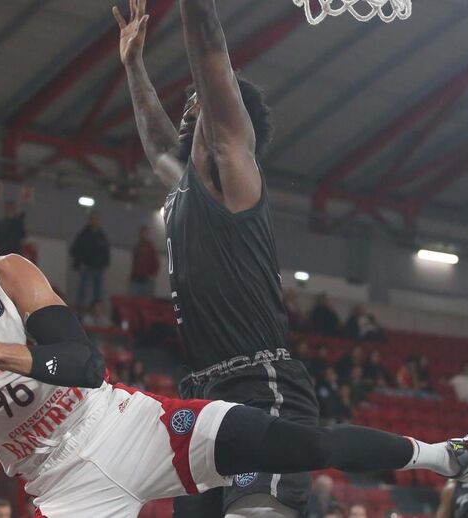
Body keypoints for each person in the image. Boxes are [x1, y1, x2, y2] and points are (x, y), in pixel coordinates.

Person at [0, 209, 468, 518]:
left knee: (304, 440)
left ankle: (449, 454)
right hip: (59, 485)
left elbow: (82, 361)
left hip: (121, 421)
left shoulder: (4, 272)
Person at [116, 0, 320, 512]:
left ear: (229, 119)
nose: (186, 112)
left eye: (196, 104)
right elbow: (157, 144)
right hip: (204, 398)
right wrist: (134, 67)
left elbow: (208, 44)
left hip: (260, 387)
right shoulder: (187, 189)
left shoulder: (234, 171)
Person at [69, 210, 110, 308]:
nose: (94, 221)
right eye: (93, 219)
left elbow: (106, 252)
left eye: (96, 219)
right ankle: (79, 313)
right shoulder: (83, 235)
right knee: (82, 293)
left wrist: (105, 264)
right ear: (89, 220)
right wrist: (79, 264)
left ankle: (95, 313)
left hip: (98, 269)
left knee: (98, 294)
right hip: (86, 268)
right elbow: (74, 249)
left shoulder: (102, 236)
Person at [129, 224, 160, 297]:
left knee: (146, 302)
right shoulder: (136, 247)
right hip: (136, 279)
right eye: (141, 233)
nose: (143, 235)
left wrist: (152, 274)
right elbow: (134, 264)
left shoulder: (151, 247)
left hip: (147, 279)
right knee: (135, 301)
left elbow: (156, 262)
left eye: (145, 233)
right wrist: (132, 276)